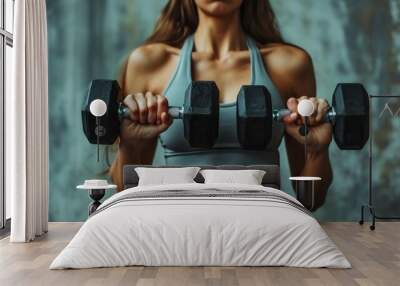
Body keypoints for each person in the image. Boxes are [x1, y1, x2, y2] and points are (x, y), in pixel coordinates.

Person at [110, 0, 333, 210]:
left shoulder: (289, 64)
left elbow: (311, 199)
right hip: (179, 224)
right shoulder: (150, 63)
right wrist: (129, 144)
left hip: (262, 225)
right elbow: (125, 192)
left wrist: (317, 151)